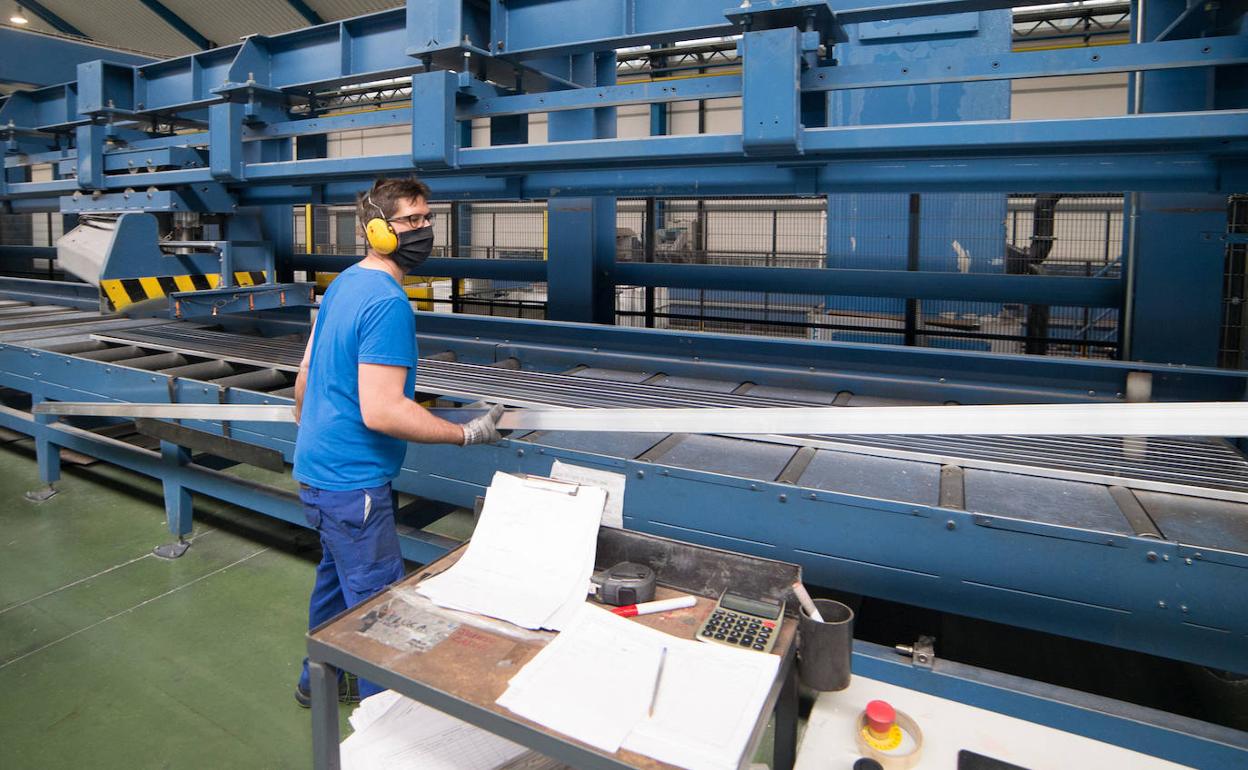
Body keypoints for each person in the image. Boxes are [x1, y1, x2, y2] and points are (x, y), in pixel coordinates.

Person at [291, 176, 504, 707]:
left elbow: (306, 367)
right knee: (376, 603)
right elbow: (383, 410)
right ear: (378, 231)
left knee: (337, 580)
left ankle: (314, 682)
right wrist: (465, 432)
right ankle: (384, 716)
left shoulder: (343, 283)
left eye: (428, 218)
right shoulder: (387, 302)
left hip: (319, 472)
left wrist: (311, 423)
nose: (425, 229)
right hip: (354, 484)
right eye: (411, 220)